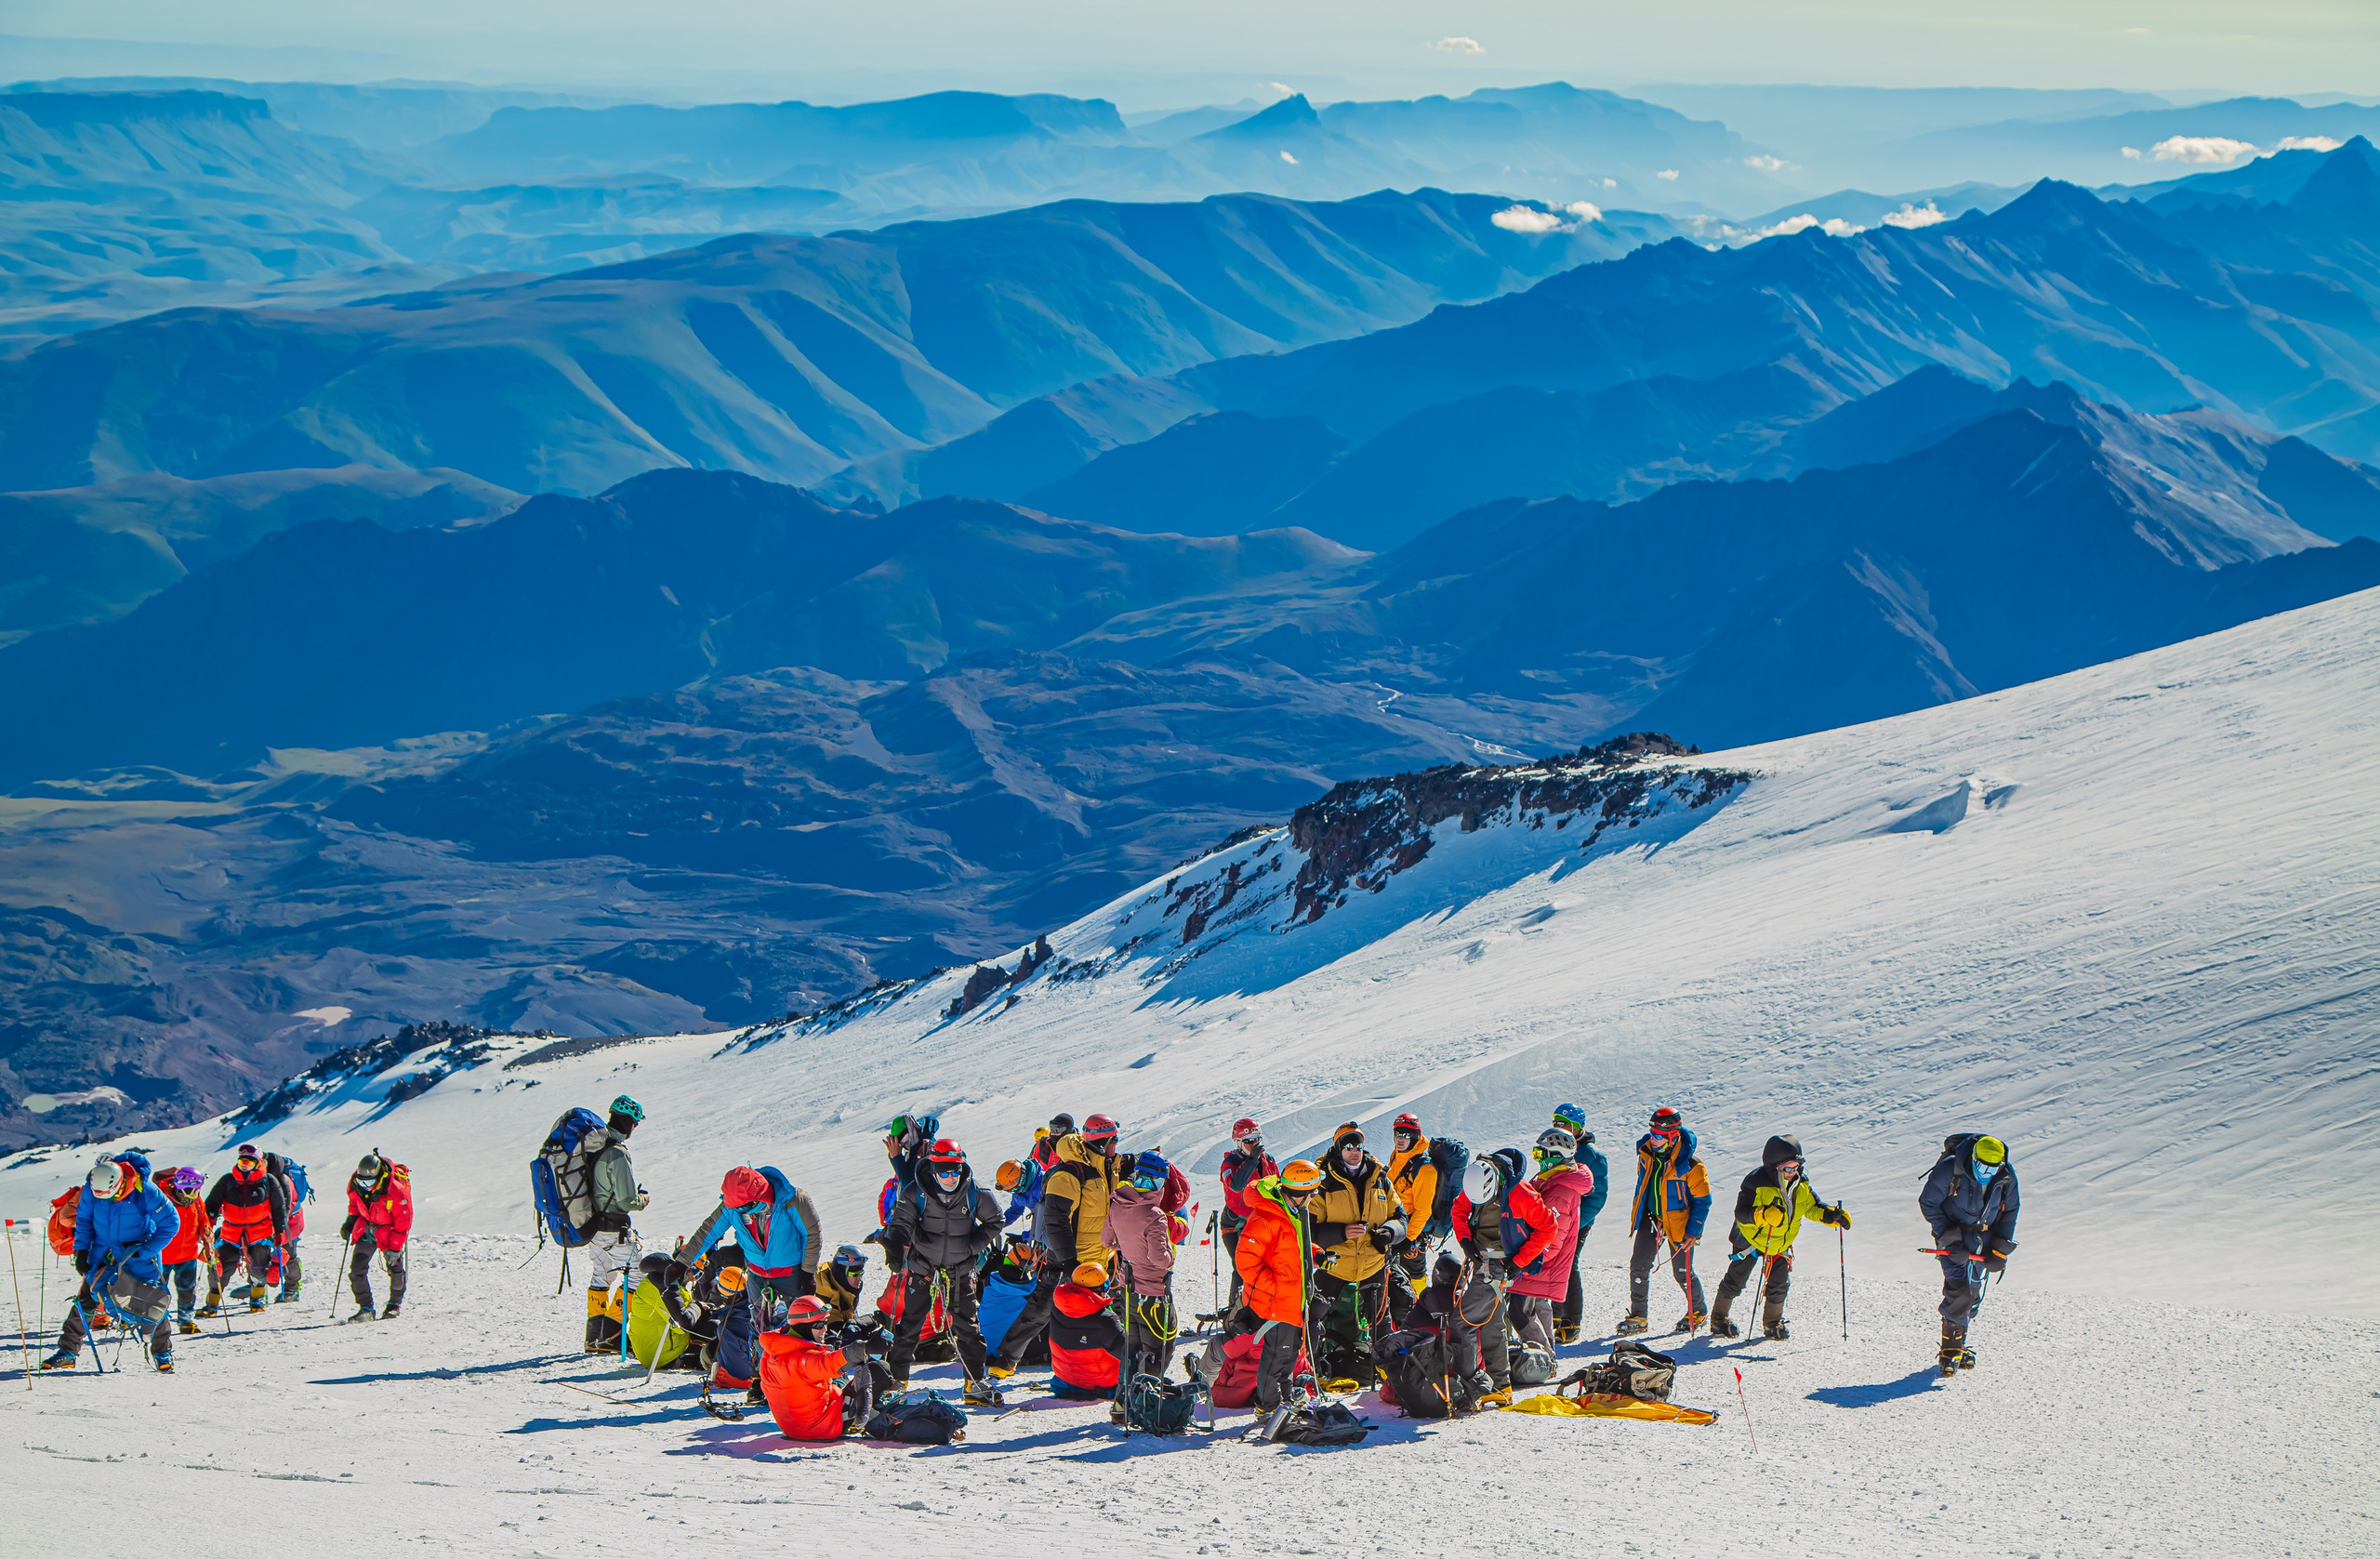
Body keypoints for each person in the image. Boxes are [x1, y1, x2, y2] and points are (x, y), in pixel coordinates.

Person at [989, 1112, 1121, 1377]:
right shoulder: (1069, 1172)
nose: (1116, 1146)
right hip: (1068, 1260)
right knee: (1042, 1309)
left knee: (1112, 1311)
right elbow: (1056, 1221)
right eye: (1114, 1141)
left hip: (1101, 1258)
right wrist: (1070, 1262)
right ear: (1103, 1141)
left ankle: (1121, 1369)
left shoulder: (1107, 1169)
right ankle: (1006, 1360)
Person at [884, 1138, 1003, 1403]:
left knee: (968, 1328)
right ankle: (897, 1382)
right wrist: (895, 1245)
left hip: (959, 1270)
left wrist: (972, 1246)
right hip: (923, 1267)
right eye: (944, 1171)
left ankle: (974, 1384)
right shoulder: (916, 1191)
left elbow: (997, 1220)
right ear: (933, 1167)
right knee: (909, 1325)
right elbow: (901, 1222)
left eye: (956, 1170)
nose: (950, 1177)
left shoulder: (976, 1192)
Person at [44, 1154, 178, 1373]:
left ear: (121, 1182)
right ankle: (67, 1352)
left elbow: (171, 1224)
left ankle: (162, 1352)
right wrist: (81, 1251)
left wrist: (144, 1251)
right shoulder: (91, 1187)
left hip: (137, 1254)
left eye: (110, 1194)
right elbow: (85, 1220)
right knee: (86, 1299)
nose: (104, 1198)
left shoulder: (145, 1191)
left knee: (152, 1299)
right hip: (102, 1253)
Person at [681, 1164, 824, 1345]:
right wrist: (682, 1263)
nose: (741, 1212)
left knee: (802, 1323)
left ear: (759, 1198)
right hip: (757, 1274)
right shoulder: (733, 1205)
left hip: (792, 1274)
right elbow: (707, 1233)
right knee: (759, 1328)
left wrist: (807, 1272)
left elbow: (812, 1234)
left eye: (745, 1207)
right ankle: (762, 1367)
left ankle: (805, 1365)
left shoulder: (793, 1200)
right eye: (737, 1207)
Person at [1449, 1148, 1545, 1404]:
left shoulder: (1521, 1193)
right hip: (1482, 1257)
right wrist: (1465, 1240)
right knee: (1492, 1323)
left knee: (1462, 1323)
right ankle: (1499, 1386)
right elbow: (1459, 1209)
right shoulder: (1474, 1181)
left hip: (1498, 1264)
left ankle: (1468, 1386)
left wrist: (1519, 1261)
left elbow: (1548, 1226)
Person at [1231, 1158, 1325, 1414]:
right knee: (1275, 1359)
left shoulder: (1290, 1212)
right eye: (1312, 1193)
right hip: (1277, 1302)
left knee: (1289, 1356)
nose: (1313, 1198)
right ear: (1299, 1193)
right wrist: (1276, 1287)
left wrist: (1316, 1255)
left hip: (1292, 1300)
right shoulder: (1266, 1217)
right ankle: (1266, 1409)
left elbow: (1292, 1246)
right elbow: (1245, 1263)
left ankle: (1285, 1404)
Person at [1920, 1132, 2017, 1375]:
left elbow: (2011, 1209)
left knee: (1973, 1290)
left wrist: (2000, 1247)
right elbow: (1928, 1203)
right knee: (1958, 1287)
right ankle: (1950, 1350)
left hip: (1984, 1236)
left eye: (1991, 1168)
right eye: (1981, 1165)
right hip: (1952, 1234)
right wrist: (1950, 1239)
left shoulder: (2006, 1176)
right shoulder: (1949, 1169)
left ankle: (1960, 1347)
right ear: (1973, 1157)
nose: (1985, 1171)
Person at [1099, 1149, 1190, 1382]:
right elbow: (1161, 1258)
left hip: (1127, 1286)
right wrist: (1169, 1256)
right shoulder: (1154, 1215)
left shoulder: (1118, 1202)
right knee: (1158, 1349)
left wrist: (1129, 1244)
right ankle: (1147, 1402)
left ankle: (1124, 1402)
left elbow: (1107, 1241)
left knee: (1131, 1347)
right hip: (1153, 1292)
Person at [1620, 1106, 1710, 1335]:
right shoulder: (1646, 1153)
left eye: (1659, 1135)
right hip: (1652, 1218)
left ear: (1673, 1136)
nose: (1654, 1139)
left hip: (1681, 1224)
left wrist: (1694, 1232)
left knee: (1682, 1272)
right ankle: (1639, 1317)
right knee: (1638, 1267)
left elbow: (1703, 1202)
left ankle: (1698, 1311)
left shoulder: (1692, 1165)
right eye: (1652, 1133)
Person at [1506, 1129, 1596, 1360]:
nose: (1538, 1158)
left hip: (1540, 1262)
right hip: (1536, 1259)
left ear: (1556, 1155)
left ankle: (1544, 1358)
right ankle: (1548, 1357)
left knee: (1520, 1310)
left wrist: (1524, 1260)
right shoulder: (1552, 1181)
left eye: (1540, 1153)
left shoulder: (1560, 1191)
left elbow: (1552, 1240)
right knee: (1535, 1307)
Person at [757, 1295, 884, 1440]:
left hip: (794, 1427)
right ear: (802, 1326)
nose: (824, 1329)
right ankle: (873, 1418)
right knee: (878, 1370)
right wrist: (864, 1348)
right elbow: (827, 1363)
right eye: (818, 1326)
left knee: (838, 1381)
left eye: (825, 1323)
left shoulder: (772, 1351)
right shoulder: (802, 1359)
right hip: (822, 1427)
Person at [583, 1096, 650, 1351]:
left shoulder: (596, 1148)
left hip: (593, 1227)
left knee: (602, 1275)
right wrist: (643, 1199)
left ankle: (594, 1337)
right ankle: (612, 1336)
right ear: (630, 1122)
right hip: (614, 1228)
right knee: (637, 1275)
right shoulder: (617, 1153)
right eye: (635, 1123)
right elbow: (626, 1200)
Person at [1550, 1103, 1611, 1343]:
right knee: (1552, 1262)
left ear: (1576, 1127)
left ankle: (1571, 1321)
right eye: (1555, 1122)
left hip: (1576, 1221)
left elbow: (1597, 1197)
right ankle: (1554, 1315)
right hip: (1556, 1217)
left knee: (1568, 1264)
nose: (1558, 1127)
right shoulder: (1555, 1147)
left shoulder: (1593, 1156)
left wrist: (1576, 1222)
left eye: (1563, 1123)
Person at [205, 1143, 288, 1315]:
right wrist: (209, 1220)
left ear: (257, 1162)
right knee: (221, 1268)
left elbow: (279, 1208)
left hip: (260, 1232)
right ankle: (212, 1303)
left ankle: (257, 1300)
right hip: (231, 1232)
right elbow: (212, 1202)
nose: (244, 1166)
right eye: (242, 1161)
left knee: (260, 1267)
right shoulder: (228, 1180)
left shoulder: (269, 1181)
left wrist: (280, 1231)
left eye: (249, 1163)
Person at [342, 1152, 415, 1321]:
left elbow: (403, 1223)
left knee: (395, 1269)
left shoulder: (396, 1191)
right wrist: (350, 1221)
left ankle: (394, 1305)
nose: (365, 1186)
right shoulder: (355, 1184)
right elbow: (354, 1203)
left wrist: (395, 1247)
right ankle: (366, 1308)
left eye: (369, 1182)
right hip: (366, 1229)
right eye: (362, 1182)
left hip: (390, 1232)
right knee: (357, 1270)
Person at [1383, 1113, 1437, 1325]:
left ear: (1416, 1136)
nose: (1400, 1138)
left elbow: (1423, 1210)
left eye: (1406, 1134)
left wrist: (1409, 1240)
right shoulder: (1396, 1154)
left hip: (1412, 1233)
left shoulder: (1425, 1169)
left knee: (1415, 1274)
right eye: (1397, 1133)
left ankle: (1425, 1315)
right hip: (1394, 1227)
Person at [1218, 1118, 1276, 1312]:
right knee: (1241, 1267)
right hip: (1235, 1224)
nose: (1254, 1145)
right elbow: (1235, 1185)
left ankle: (1260, 1306)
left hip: (1260, 1221)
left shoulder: (1268, 1161)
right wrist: (1252, 1160)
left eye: (1257, 1140)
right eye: (1249, 1141)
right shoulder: (1230, 1163)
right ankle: (1235, 1311)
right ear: (1238, 1143)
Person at [1048, 1261, 1125, 1400]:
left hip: (1065, 1377)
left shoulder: (1057, 1308)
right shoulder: (1106, 1320)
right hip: (1100, 1382)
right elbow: (1127, 1353)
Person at [158, 1168, 210, 1336]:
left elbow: (202, 1218)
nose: (196, 1193)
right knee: (158, 1292)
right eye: (193, 1189)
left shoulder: (195, 1200)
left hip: (188, 1254)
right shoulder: (162, 1201)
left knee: (187, 1290)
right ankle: (158, 1323)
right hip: (162, 1256)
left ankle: (186, 1320)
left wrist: (206, 1230)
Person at [262, 1151, 308, 1302]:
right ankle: (260, 1285)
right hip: (274, 1223)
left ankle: (292, 1288)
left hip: (289, 1224)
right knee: (261, 1253)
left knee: (289, 1255)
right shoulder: (266, 1179)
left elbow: (284, 1207)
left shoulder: (284, 1181)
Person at [814, 1243, 870, 1325]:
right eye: (854, 1274)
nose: (859, 1279)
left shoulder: (846, 1287)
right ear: (841, 1274)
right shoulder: (825, 1290)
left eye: (861, 1274)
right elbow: (832, 1327)